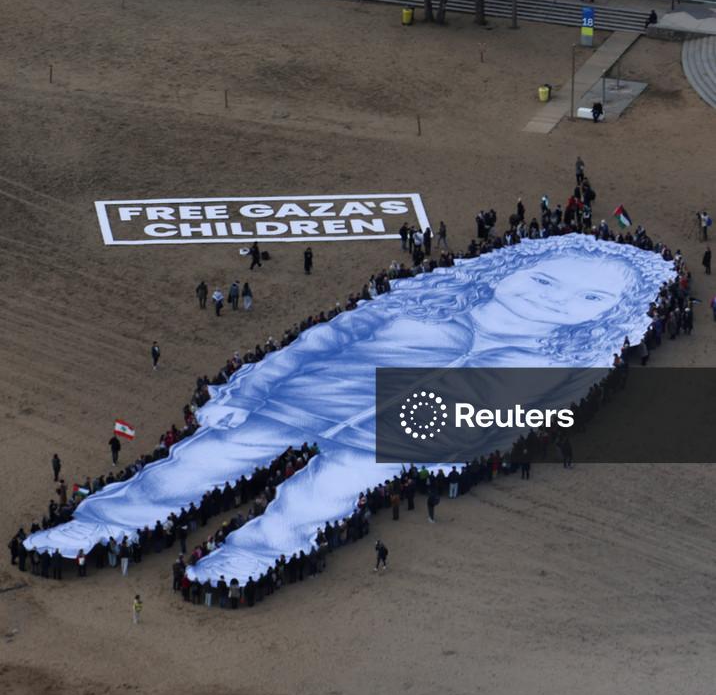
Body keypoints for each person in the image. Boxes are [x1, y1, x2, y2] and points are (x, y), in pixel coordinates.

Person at [26, 236, 675, 584]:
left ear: (603, 315)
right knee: (203, 462)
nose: (560, 301)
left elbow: (517, 419)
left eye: (587, 297)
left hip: (396, 435)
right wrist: (256, 385)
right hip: (310, 395)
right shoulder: (420, 305)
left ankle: (254, 552)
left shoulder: (543, 363)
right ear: (502, 274)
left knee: (325, 493)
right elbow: (325, 337)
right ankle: (107, 521)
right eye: (544, 279)